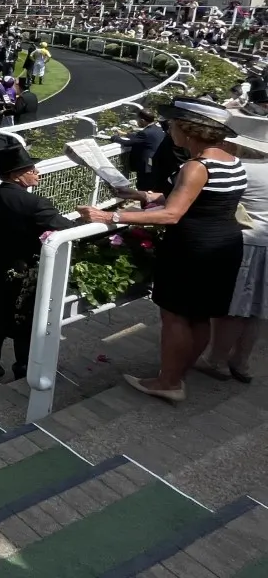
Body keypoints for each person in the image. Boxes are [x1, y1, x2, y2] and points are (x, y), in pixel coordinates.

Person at [79, 99, 246, 402]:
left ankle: (169, 381)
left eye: (173, 124)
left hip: (193, 247)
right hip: (224, 244)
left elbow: (171, 214)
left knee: (176, 316)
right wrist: (141, 194)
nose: (169, 130)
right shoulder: (230, 159)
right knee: (199, 315)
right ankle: (178, 373)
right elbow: (202, 200)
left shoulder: (196, 166)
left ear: (188, 129)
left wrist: (110, 216)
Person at [0, 144, 75, 384]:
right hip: (26, 270)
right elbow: (66, 229)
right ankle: (23, 368)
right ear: (17, 175)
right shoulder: (35, 204)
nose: (37, 173)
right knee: (24, 320)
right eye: (32, 169)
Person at [199, 110, 266, 383]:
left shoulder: (242, 169)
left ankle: (217, 360)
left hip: (245, 242)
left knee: (233, 308)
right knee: (258, 310)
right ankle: (241, 362)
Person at [113, 109, 165, 186]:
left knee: (143, 187)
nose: (137, 122)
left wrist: (115, 138)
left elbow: (128, 143)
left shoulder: (145, 133)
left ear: (142, 120)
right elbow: (140, 137)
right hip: (156, 164)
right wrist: (125, 134)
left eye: (137, 120)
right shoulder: (159, 129)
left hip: (146, 167)